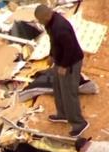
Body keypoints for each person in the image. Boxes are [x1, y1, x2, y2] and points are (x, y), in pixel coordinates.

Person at [34, 4, 88, 137]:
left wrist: (64, 65)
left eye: (40, 19)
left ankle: (79, 123)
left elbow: (69, 49)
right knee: (58, 88)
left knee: (69, 93)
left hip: (71, 62)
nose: (40, 22)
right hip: (60, 60)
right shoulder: (49, 23)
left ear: (47, 15)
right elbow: (54, 41)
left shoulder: (60, 27)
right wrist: (52, 55)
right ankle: (63, 114)